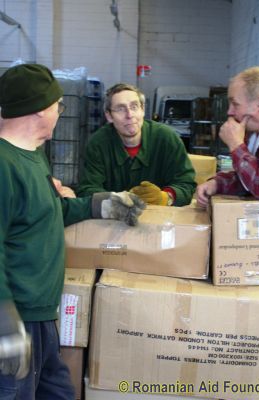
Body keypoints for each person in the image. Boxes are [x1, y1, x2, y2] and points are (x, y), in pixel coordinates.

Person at [0, 63, 145, 399]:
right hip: (17, 319)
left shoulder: (34, 156)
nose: (59, 112)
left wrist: (101, 205)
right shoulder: (5, 165)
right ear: (38, 110)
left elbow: (48, 212)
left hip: (41, 316)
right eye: (57, 105)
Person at [196, 66, 259, 390]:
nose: (230, 111)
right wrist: (217, 181)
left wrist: (235, 146)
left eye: (234, 103)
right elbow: (249, 176)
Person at [76, 83, 196, 206]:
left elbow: (186, 184)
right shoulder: (98, 144)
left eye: (134, 107)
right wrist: (115, 201)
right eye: (121, 109)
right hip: (113, 220)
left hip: (160, 218)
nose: (129, 115)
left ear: (143, 110)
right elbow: (87, 189)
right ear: (109, 116)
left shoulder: (167, 138)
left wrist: (165, 197)